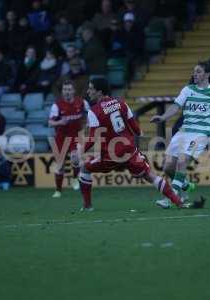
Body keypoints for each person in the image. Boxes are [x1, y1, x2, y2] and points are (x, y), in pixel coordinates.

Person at [75, 78, 203, 211]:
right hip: (129, 150)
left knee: (85, 168)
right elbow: (136, 130)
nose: (88, 91)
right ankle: (178, 202)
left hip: (111, 154)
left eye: (91, 88)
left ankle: (87, 206)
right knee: (151, 176)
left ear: (99, 92)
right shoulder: (122, 103)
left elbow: (92, 139)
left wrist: (79, 152)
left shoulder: (94, 111)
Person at [150, 63, 210, 208]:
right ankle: (186, 185)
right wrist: (163, 117)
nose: (195, 74)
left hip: (201, 134)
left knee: (182, 162)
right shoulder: (188, 90)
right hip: (183, 132)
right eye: (194, 72)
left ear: (207, 74)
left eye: (198, 72)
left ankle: (171, 199)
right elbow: (175, 106)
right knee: (167, 167)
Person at [48, 80, 89, 198]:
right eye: (65, 90)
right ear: (62, 91)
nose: (67, 92)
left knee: (75, 159)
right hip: (61, 138)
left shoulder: (82, 102)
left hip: (76, 136)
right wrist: (60, 121)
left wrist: (87, 125)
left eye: (69, 89)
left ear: (73, 91)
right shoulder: (57, 105)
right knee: (60, 165)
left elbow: (89, 115)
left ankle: (75, 178)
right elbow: (50, 123)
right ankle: (58, 190)